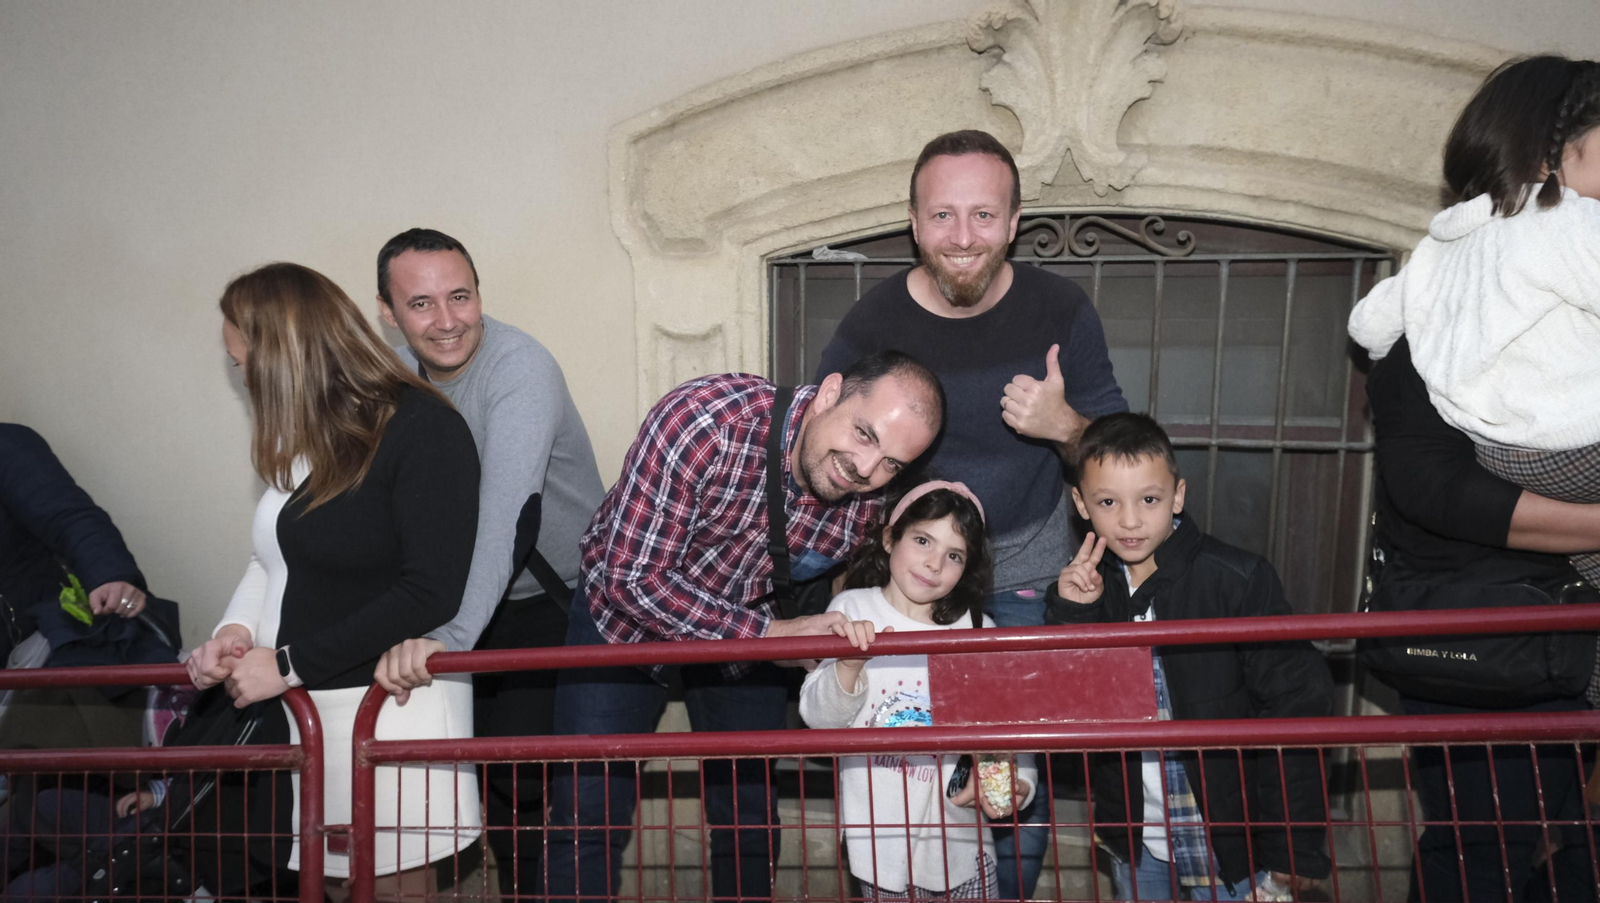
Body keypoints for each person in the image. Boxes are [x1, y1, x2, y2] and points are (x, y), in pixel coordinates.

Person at [815, 129, 1127, 896]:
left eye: (983, 215)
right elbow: (826, 450)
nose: (962, 236)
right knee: (901, 774)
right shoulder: (872, 320)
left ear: (1015, 221)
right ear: (914, 222)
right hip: (909, 590)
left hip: (1023, 587)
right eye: (943, 215)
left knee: (1008, 790)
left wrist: (1066, 427)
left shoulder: (1061, 306)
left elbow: (1125, 457)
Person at [545, 350, 945, 903]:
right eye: (863, 433)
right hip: (622, 624)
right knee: (585, 812)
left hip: (745, 636)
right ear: (829, 393)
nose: (866, 468)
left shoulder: (872, 503)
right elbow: (629, 577)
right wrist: (769, 637)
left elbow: (899, 573)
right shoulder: (707, 421)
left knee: (749, 819)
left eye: (893, 464)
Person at [183, 262, 482, 895]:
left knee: (390, 889)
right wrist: (233, 632)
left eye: (245, 365)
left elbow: (431, 589)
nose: (244, 380)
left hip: (388, 710)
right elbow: (272, 559)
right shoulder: (309, 437)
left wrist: (286, 664)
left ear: (282, 356)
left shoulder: (421, 428)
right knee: (332, 885)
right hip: (309, 710)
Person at [366, 228, 607, 896]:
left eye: (460, 296)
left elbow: (508, 514)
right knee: (477, 785)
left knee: (536, 790)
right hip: (460, 598)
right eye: (421, 304)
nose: (447, 320)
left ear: (479, 293)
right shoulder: (391, 378)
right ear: (388, 312)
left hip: (555, 600)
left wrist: (447, 647)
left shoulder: (519, 368)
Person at [1045, 413, 1332, 901]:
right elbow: (1070, 706)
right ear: (1080, 504)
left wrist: (1292, 846)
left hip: (1229, 842)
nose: (1130, 520)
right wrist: (1071, 614)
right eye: (1108, 501)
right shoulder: (1087, 590)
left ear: (1178, 495)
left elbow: (1296, 706)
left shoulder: (1235, 580)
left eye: (1149, 499)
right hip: (1135, 840)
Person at [1348, 55, 1600, 588]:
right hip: (1583, 449)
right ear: (1545, 158)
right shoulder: (1574, 220)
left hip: (1504, 455)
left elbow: (1369, 325)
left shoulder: (1445, 242)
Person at [1363, 337, 1599, 902]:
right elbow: (1433, 487)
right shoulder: (1427, 350)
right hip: (1483, 648)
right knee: (1480, 851)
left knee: (1578, 843)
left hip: (1570, 641)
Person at [799, 480, 1037, 901]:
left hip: (962, 842)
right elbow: (818, 719)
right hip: (879, 845)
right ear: (890, 537)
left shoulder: (978, 630)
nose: (933, 564)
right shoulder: (851, 610)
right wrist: (849, 666)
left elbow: (1002, 731)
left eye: (954, 555)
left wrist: (1007, 787)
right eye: (923, 540)